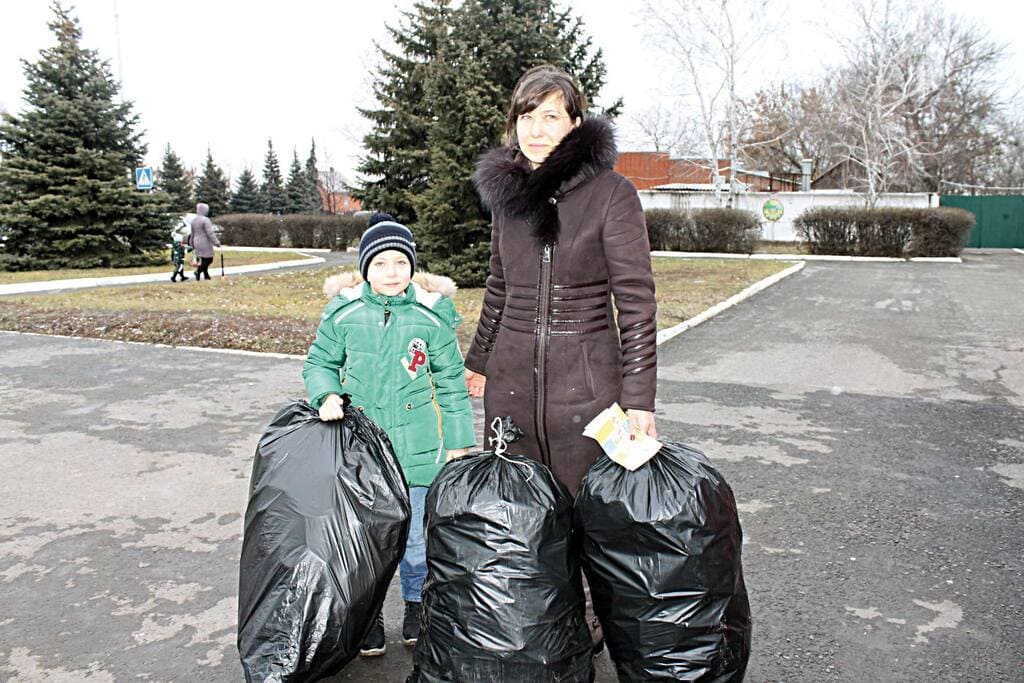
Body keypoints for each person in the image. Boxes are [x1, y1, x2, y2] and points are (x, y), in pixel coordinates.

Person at [464, 64, 658, 497]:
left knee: (590, 525)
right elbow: (499, 286)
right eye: (526, 117)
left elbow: (636, 304)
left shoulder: (611, 194)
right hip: (511, 392)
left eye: (550, 117)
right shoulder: (507, 197)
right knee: (517, 528)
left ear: (574, 124)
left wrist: (640, 399)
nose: (535, 130)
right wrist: (477, 362)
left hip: (588, 393)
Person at [302, 213, 475, 657]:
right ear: (365, 268)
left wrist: (458, 443)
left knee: (417, 540)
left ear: (413, 266)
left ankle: (417, 605)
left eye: (401, 262)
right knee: (365, 541)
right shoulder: (345, 312)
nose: (392, 273)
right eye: (380, 264)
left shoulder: (431, 316)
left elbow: (453, 384)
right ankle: (370, 613)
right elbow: (319, 362)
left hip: (419, 451)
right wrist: (326, 396)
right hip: (363, 452)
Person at [188, 203, 220, 280]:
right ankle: (198, 272)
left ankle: (206, 275)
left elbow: (192, 233)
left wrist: (191, 243)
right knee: (209, 259)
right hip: (204, 242)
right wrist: (216, 242)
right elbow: (210, 233)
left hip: (196, 242)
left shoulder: (194, 220)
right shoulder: (205, 220)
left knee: (202, 259)